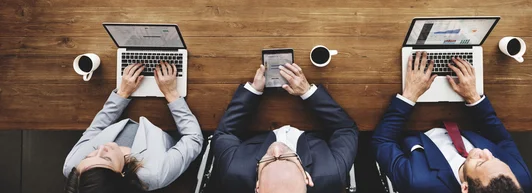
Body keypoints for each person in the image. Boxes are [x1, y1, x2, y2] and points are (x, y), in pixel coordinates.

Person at [371, 52, 532, 193]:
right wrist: (473, 97)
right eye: (496, 159)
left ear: (465, 188)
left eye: (480, 162)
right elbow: (502, 140)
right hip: (463, 115)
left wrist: (409, 95)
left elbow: (382, 141)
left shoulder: (418, 181)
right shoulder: (518, 178)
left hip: (415, 123)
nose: (486, 152)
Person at [212, 63, 359, 193]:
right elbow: (345, 129)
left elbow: (226, 133)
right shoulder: (332, 172)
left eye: (268, 161)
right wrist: (308, 92)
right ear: (306, 177)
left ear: (257, 187)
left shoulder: (234, 170)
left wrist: (253, 92)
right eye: (287, 159)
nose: (277, 149)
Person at [63, 63, 203, 192]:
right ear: (122, 175)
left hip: (128, 103)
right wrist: (171, 94)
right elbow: (193, 139)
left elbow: (95, 130)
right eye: (107, 159)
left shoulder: (74, 166)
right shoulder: (155, 174)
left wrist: (122, 94)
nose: (101, 148)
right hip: (165, 123)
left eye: (89, 155)